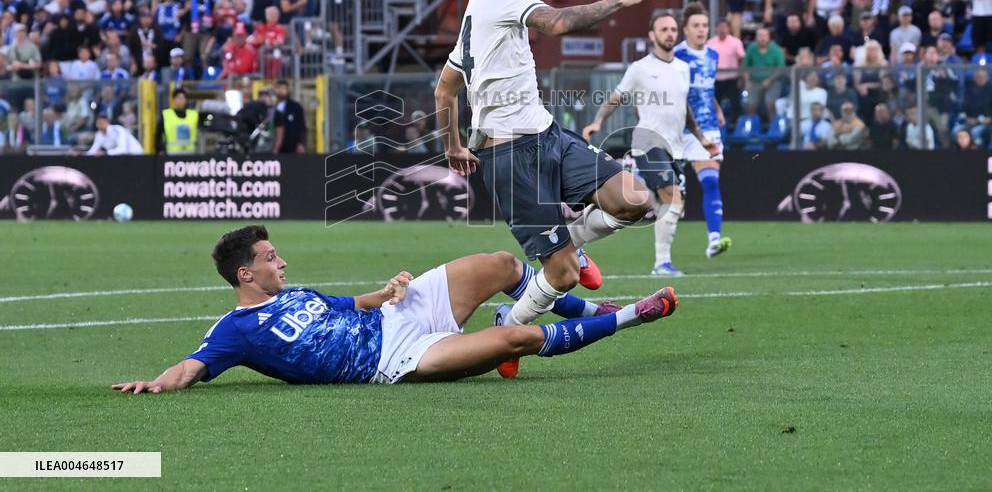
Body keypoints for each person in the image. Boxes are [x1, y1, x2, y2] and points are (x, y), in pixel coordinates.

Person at [433, 0, 657, 347]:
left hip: (545, 135)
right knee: (564, 275)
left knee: (633, 200)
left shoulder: (481, 10)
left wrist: (453, 145)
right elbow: (555, 23)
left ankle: (572, 241)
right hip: (509, 154)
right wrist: (621, 1)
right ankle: (507, 329)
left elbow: (445, 88)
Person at [111, 226, 678, 391]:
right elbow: (191, 366)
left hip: (396, 314)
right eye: (270, 257)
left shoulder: (297, 294)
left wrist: (389, 289)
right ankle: (628, 316)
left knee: (502, 263)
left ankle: (582, 308)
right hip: (398, 357)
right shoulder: (234, 331)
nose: (281, 262)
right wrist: (154, 383)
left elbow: (351, 303)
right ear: (245, 275)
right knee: (517, 341)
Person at [582, 10, 718, 277]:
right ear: (652, 35)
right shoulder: (640, 68)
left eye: (672, 29)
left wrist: (702, 139)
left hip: (674, 146)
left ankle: (580, 235)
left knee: (659, 207)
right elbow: (616, 97)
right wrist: (597, 122)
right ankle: (662, 264)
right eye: (664, 29)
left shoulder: (683, 68)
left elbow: (685, 110)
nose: (670, 33)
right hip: (648, 141)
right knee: (673, 199)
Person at [673, 2, 732, 260]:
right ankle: (663, 255)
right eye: (696, 25)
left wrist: (717, 108)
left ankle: (714, 239)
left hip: (706, 129)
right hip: (676, 127)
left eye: (704, 25)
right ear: (685, 29)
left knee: (710, 181)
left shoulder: (713, 56)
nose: (701, 30)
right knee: (667, 193)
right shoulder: (676, 55)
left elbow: (707, 90)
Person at [744, 26, 786, 121]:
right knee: (750, 104)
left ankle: (773, 128)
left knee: (770, 103)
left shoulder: (776, 50)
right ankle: (751, 126)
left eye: (765, 36)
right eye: (760, 36)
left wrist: (769, 80)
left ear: (769, 37)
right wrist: (747, 82)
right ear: (756, 37)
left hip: (773, 81)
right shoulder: (751, 48)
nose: (762, 38)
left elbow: (781, 69)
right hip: (754, 81)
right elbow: (746, 67)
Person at [706, 18, 745, 122]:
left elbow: (741, 58)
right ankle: (714, 123)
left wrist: (741, 76)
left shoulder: (736, 42)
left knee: (735, 103)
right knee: (714, 103)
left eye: (724, 27)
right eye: (720, 27)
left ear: (729, 29)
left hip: (731, 78)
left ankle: (735, 125)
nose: (722, 30)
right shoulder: (710, 42)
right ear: (716, 29)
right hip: (716, 79)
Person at [155, 88, 199, 155]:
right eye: (179, 98)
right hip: (171, 155)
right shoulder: (166, 114)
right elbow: (158, 134)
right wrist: (160, 150)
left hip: (190, 156)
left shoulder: (194, 115)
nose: (181, 100)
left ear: (186, 100)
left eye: (183, 98)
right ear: (174, 99)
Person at [272, 79, 306, 154]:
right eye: (279, 88)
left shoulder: (295, 107)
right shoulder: (272, 107)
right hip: (274, 146)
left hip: (292, 146)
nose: (281, 91)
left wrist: (301, 143)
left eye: (283, 88)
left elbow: (301, 126)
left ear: (288, 90)